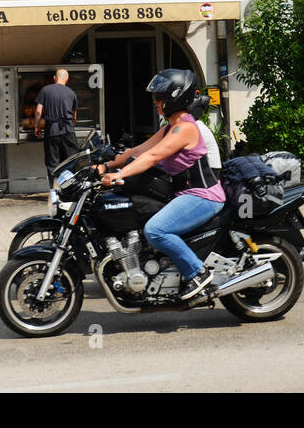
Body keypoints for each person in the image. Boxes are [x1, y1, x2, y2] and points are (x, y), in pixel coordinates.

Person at [94, 70, 224, 301]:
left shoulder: (186, 128)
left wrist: (120, 174)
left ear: (175, 97)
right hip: (184, 194)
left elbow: (152, 157)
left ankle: (198, 273)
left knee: (156, 230)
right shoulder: (170, 127)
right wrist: (105, 166)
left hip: (203, 196)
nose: (155, 103)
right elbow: (137, 151)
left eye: (160, 98)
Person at [34, 69, 78, 175]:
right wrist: (72, 125)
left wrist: (37, 126)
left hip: (51, 130)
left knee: (53, 163)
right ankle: (69, 189)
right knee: (71, 161)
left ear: (54, 78)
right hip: (68, 129)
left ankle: (54, 189)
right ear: (67, 79)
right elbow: (74, 116)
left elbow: (38, 111)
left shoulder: (45, 90)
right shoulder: (72, 93)